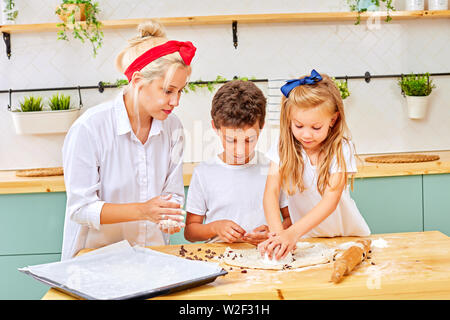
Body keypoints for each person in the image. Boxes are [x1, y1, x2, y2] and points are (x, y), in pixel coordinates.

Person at [61, 20, 196, 260]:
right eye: (168, 91)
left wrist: (168, 217)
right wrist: (144, 211)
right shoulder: (90, 128)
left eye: (180, 91)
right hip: (95, 259)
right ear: (137, 82)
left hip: (154, 256)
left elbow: (172, 195)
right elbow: (80, 209)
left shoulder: (173, 127)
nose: (176, 102)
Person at [258, 69, 370, 260]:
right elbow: (271, 193)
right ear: (289, 120)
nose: (307, 134)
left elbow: (330, 200)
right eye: (299, 126)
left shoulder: (341, 148)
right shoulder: (282, 146)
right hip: (306, 241)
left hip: (348, 238)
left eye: (316, 127)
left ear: (332, 120)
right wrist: (279, 236)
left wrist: (291, 233)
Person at [184, 80, 289, 245]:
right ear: (215, 128)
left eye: (249, 140)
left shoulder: (272, 167)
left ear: (261, 127)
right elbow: (190, 231)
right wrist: (214, 228)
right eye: (231, 140)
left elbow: (291, 219)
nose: (240, 151)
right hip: (218, 257)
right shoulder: (204, 172)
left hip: (263, 257)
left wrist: (274, 234)